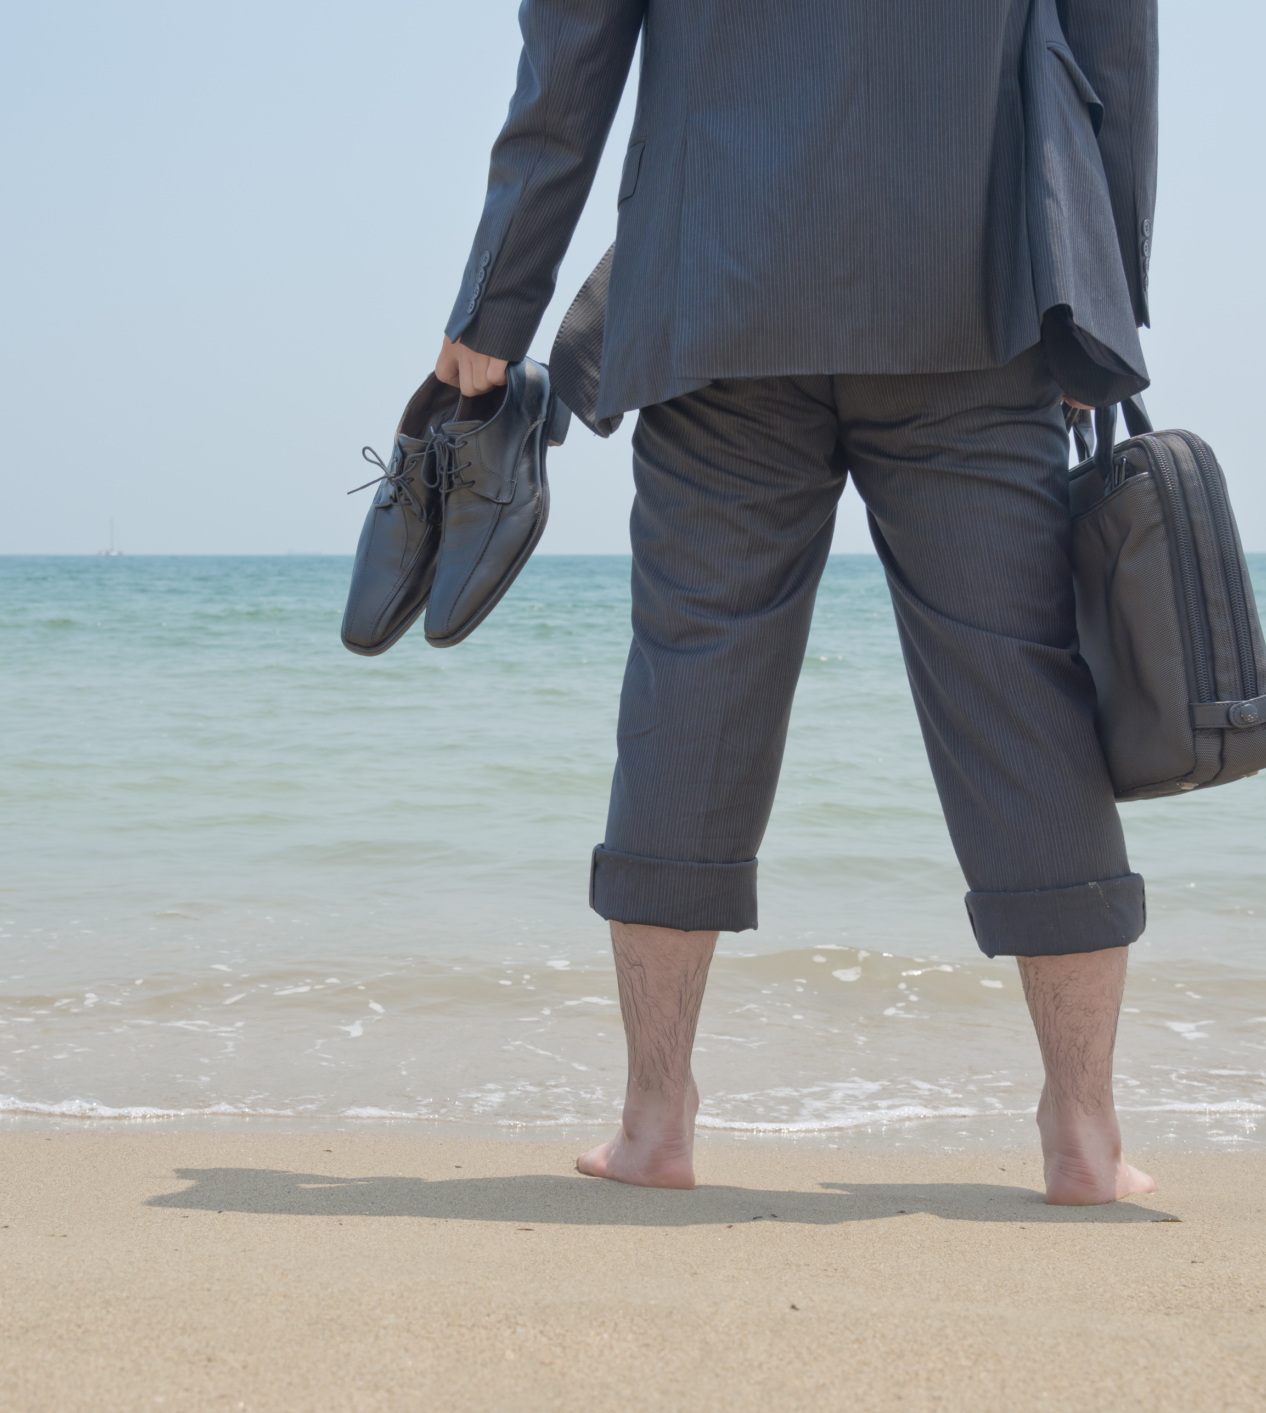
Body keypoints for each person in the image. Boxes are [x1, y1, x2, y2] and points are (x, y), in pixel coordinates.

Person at [434, 0, 1162, 1205]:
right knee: (1025, 696)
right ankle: (1084, 1135)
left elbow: (568, 62)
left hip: (715, 293)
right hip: (972, 287)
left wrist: (494, 310)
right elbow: (1115, 50)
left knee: (692, 684)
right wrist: (1104, 302)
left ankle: (654, 1120)